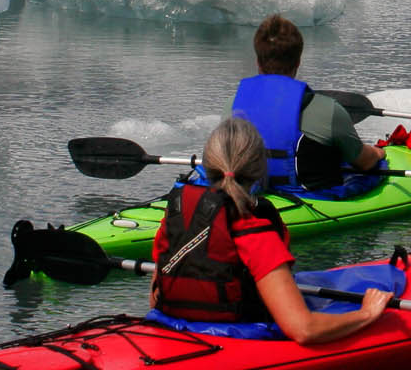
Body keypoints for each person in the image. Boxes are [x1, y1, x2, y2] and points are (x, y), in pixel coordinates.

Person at [149, 117, 392, 343]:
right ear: (258, 170)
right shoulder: (255, 232)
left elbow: (155, 298)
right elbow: (304, 330)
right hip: (239, 338)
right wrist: (367, 313)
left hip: (175, 332)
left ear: (208, 165)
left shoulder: (174, 218)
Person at [233, 14, 382, 192]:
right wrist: (380, 152)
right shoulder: (328, 110)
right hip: (309, 201)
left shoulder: (232, 106)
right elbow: (365, 163)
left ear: (257, 61)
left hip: (248, 195)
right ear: (298, 62)